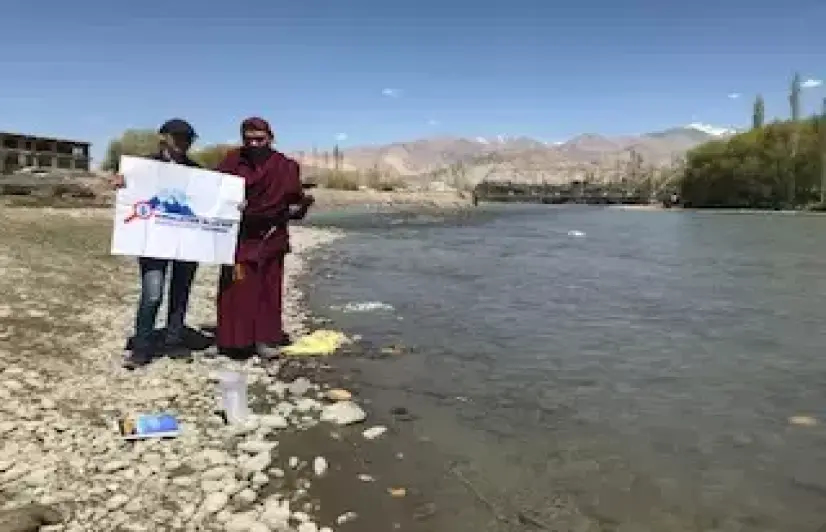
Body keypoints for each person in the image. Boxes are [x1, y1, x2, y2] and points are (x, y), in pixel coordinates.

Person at [214, 117, 314, 359]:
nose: (255, 144)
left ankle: (265, 339)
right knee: (237, 287)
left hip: (271, 236)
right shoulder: (232, 161)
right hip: (240, 236)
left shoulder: (285, 165)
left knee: (268, 289)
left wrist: (303, 204)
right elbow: (211, 188)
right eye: (249, 139)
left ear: (270, 138)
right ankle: (234, 341)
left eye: (260, 139)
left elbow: (293, 201)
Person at [112, 119, 202, 369]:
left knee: (181, 291)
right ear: (163, 137)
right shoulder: (143, 167)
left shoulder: (197, 170)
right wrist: (120, 183)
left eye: (188, 139)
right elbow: (129, 193)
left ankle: (173, 340)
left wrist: (233, 206)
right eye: (178, 137)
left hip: (186, 242)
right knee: (153, 293)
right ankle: (141, 346)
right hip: (152, 241)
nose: (183, 143)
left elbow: (209, 203)